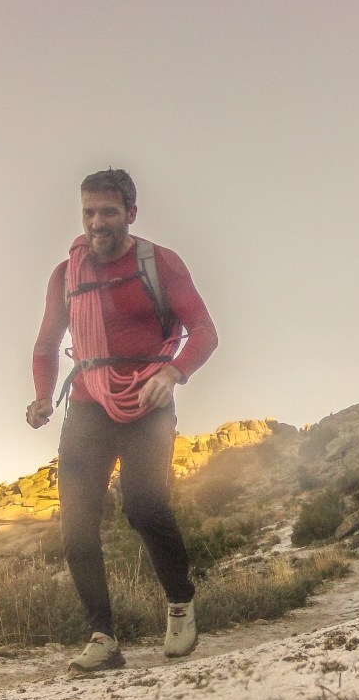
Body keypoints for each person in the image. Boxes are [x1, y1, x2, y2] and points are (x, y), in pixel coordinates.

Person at [27, 168, 217, 672]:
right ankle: (103, 638)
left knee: (144, 504)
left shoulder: (160, 263)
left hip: (148, 401)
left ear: (131, 214)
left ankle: (180, 603)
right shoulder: (66, 276)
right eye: (88, 212)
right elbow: (46, 344)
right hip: (87, 404)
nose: (96, 222)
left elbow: (204, 331)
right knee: (76, 525)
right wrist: (42, 397)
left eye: (108, 212)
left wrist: (173, 372)